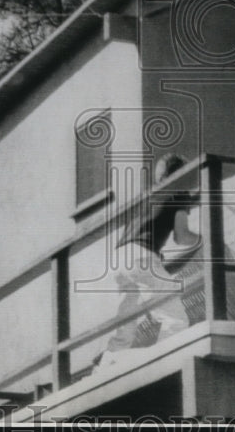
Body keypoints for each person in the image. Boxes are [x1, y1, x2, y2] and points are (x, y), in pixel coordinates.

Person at [98, 153, 199, 366]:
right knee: (176, 319)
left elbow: (150, 223)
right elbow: (182, 237)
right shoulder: (178, 194)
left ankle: (107, 365)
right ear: (180, 175)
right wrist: (204, 239)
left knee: (126, 325)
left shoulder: (147, 195)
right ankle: (166, 364)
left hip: (119, 258)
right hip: (142, 256)